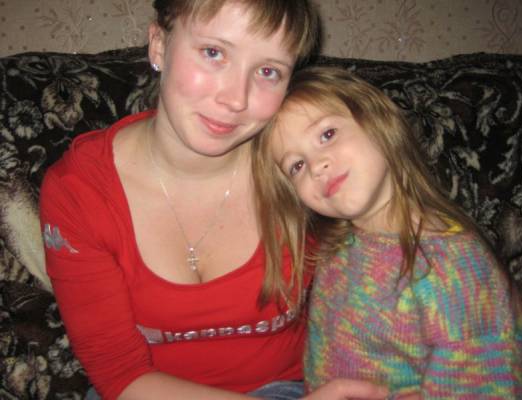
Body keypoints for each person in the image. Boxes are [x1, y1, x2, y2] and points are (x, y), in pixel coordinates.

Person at [39, 1, 392, 400]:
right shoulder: (79, 192)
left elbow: (399, 263)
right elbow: (119, 374)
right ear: (159, 45)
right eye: (213, 52)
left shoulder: (300, 166)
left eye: (268, 71)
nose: (236, 99)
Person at [252, 66, 522, 398]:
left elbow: (491, 385)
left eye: (327, 135)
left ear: (379, 123)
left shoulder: (454, 271)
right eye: (296, 165)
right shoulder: (339, 242)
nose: (317, 166)